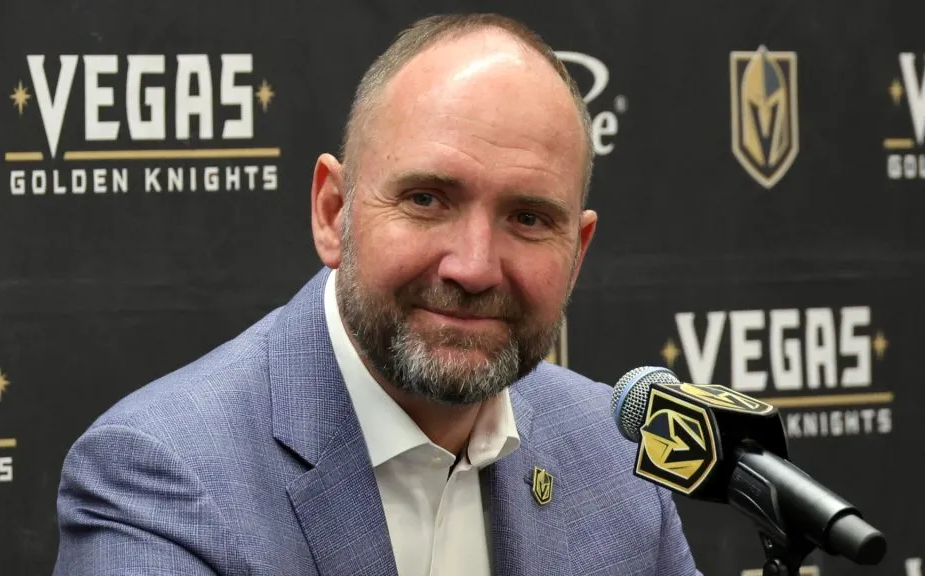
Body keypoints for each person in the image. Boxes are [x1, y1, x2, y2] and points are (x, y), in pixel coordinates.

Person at [52, 12, 700, 576]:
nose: (473, 267)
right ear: (334, 212)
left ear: (577, 252)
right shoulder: (163, 478)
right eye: (426, 200)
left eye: (528, 219)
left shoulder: (616, 457)